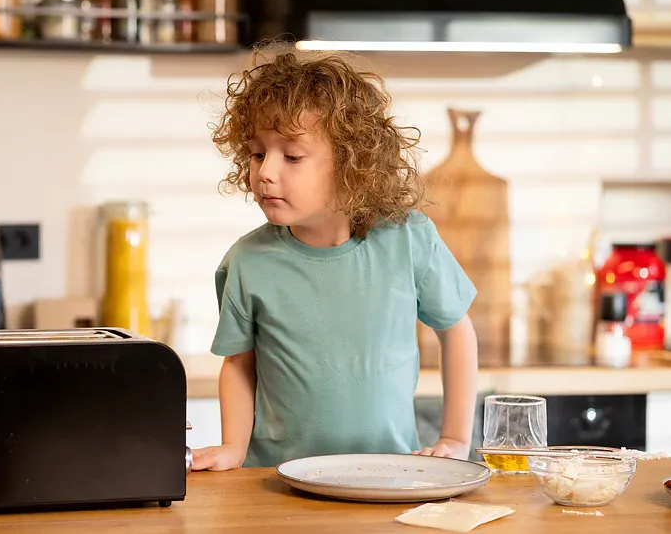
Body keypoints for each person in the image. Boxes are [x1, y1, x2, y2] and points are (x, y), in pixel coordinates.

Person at [191, 44, 479, 471]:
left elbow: (456, 331)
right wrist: (233, 447)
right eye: (257, 153)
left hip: (391, 475)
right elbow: (239, 363)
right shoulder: (247, 262)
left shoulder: (409, 239)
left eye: (291, 156)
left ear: (352, 165)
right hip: (276, 481)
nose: (265, 171)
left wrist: (455, 438)